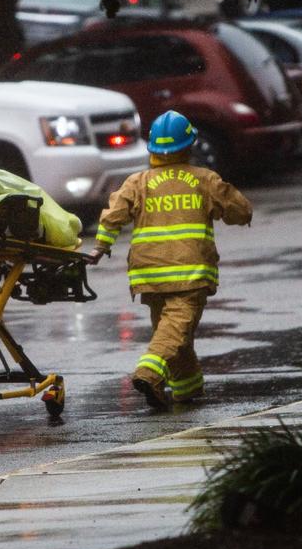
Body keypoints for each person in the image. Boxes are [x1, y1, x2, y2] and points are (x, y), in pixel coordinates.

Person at [87, 110, 252, 409]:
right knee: (176, 329)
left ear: (153, 148)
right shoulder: (204, 180)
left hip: (148, 277)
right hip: (189, 275)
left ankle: (188, 389)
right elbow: (240, 211)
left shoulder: (137, 182)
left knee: (174, 332)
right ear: (188, 146)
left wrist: (101, 247)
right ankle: (148, 374)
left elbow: (113, 217)